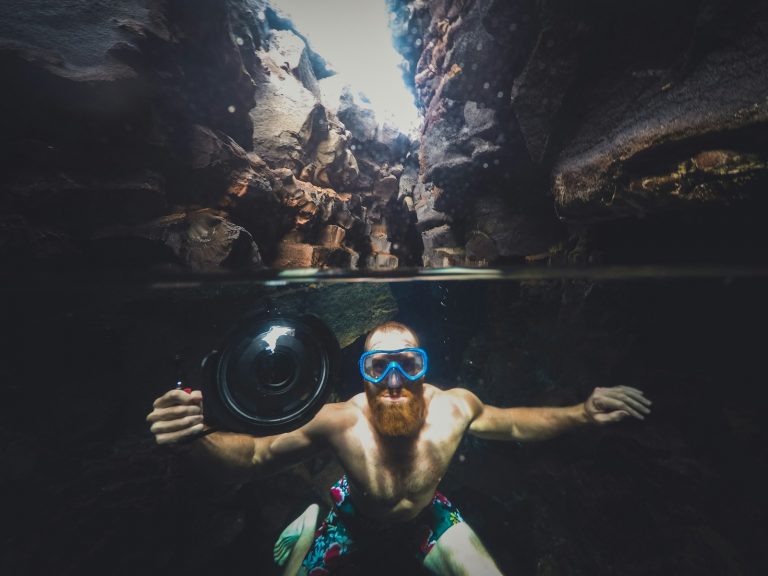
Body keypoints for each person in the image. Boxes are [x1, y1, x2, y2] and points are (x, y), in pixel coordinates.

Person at [147, 321, 651, 575]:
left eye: (407, 364)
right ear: (361, 375)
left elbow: (515, 424)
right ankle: (315, 513)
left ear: (423, 368)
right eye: (377, 367)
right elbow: (255, 457)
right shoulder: (340, 420)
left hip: (426, 517)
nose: (393, 380)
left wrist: (583, 413)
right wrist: (196, 438)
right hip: (353, 519)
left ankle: (316, 506)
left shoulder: (454, 409)